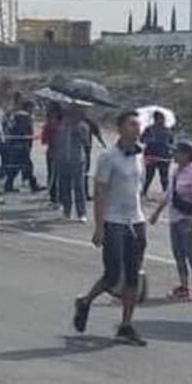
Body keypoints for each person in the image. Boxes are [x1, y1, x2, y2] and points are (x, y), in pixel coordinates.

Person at [72, 110, 148, 346]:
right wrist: (100, 226)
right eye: (132, 125)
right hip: (114, 222)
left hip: (135, 221)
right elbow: (100, 192)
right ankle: (85, 301)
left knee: (133, 276)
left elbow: (138, 187)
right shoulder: (108, 157)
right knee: (113, 274)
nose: (136, 129)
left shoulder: (139, 155)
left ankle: (126, 325)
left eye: (138, 125)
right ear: (120, 129)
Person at [150, 142, 192, 301]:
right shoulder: (175, 171)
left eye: (176, 153)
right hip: (175, 217)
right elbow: (169, 193)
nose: (173, 155)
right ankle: (184, 286)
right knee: (178, 254)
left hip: (189, 218)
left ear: (185, 155)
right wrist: (157, 212)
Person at [55, 106, 91, 222]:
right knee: (64, 186)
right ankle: (67, 211)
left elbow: (86, 142)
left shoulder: (82, 126)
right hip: (63, 159)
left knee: (79, 187)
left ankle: (82, 213)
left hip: (77, 160)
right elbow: (58, 140)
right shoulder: (62, 125)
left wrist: (77, 131)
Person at [2, 100, 39, 193]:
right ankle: (33, 185)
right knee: (27, 166)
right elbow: (24, 132)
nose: (33, 110)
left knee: (17, 166)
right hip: (21, 145)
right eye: (32, 108)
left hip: (16, 144)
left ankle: (9, 184)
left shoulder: (17, 116)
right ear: (28, 107)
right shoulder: (24, 117)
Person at [140, 111, 174, 198]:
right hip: (151, 155)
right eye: (159, 119)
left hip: (164, 157)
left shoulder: (168, 130)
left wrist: (171, 152)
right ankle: (144, 192)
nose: (162, 121)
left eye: (163, 119)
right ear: (155, 119)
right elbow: (141, 140)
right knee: (149, 176)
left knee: (164, 177)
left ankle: (166, 194)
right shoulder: (149, 129)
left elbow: (172, 143)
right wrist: (149, 140)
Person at [42, 102, 63, 205]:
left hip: (61, 153)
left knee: (61, 176)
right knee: (52, 175)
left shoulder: (62, 125)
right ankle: (53, 197)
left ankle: (60, 197)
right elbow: (44, 141)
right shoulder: (48, 126)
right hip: (52, 153)